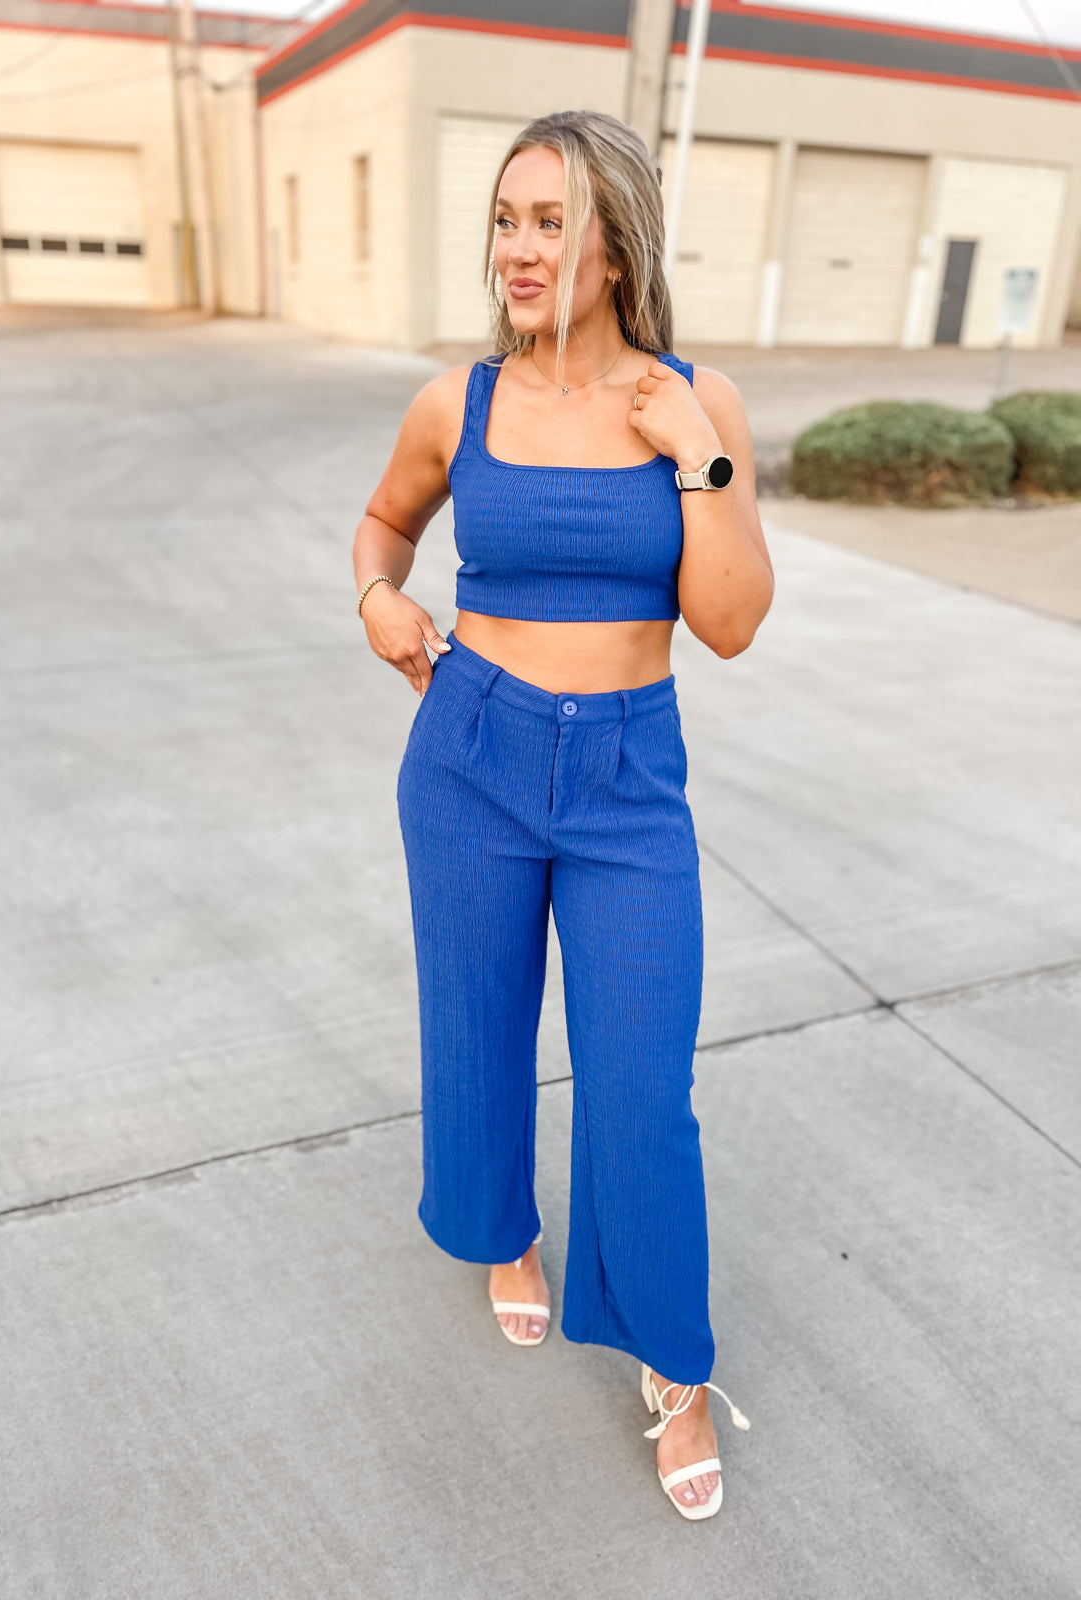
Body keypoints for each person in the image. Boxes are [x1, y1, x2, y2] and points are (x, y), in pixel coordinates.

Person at [351, 109, 773, 1521]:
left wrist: (696, 460)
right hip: (469, 752)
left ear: (614, 245)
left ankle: (676, 1364)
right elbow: (385, 522)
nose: (517, 249)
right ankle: (503, 1232)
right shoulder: (456, 404)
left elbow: (730, 625)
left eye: (550, 222)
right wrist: (379, 599)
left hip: (626, 784)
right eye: (506, 219)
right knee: (474, 1029)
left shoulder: (696, 401)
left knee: (644, 1089)